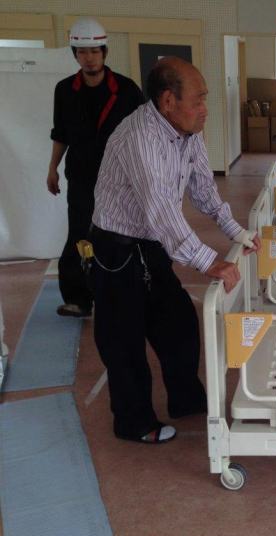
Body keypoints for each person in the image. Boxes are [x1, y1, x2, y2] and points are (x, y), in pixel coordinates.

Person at [90, 57, 260, 444]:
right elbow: (161, 211)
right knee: (124, 341)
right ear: (168, 101)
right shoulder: (141, 138)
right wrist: (209, 261)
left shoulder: (187, 132)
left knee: (178, 323)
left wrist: (238, 233)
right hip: (116, 248)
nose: (205, 110)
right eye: (198, 100)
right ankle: (133, 423)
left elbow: (203, 188)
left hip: (149, 245)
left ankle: (185, 400)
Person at [48, 18, 145, 317]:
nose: (88, 58)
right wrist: (52, 168)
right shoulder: (65, 90)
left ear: (104, 52)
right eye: (82, 52)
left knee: (119, 234)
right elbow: (60, 133)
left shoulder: (126, 90)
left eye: (94, 51)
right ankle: (78, 298)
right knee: (80, 234)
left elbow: (144, 134)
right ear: (75, 54)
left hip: (120, 178)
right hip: (81, 177)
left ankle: (122, 290)